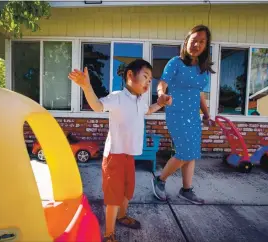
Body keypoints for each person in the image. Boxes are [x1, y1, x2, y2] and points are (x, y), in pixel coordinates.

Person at [68, 59, 169, 242]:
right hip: (114, 155)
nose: (148, 83)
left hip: (129, 155)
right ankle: (108, 233)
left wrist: (161, 103)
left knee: (127, 191)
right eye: (145, 77)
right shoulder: (117, 97)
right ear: (130, 75)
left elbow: (149, 110)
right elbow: (98, 107)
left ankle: (122, 216)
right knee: (113, 196)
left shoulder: (140, 100)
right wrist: (86, 87)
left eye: (150, 81)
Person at [151, 25, 215, 204]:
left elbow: (200, 93)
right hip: (177, 113)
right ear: (187, 41)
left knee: (192, 153)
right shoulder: (175, 62)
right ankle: (159, 180)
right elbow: (163, 82)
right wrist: (161, 94)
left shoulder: (202, 69)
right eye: (194, 40)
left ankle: (186, 190)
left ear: (206, 46)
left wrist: (207, 114)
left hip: (194, 116)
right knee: (185, 151)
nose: (197, 44)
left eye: (202, 42)